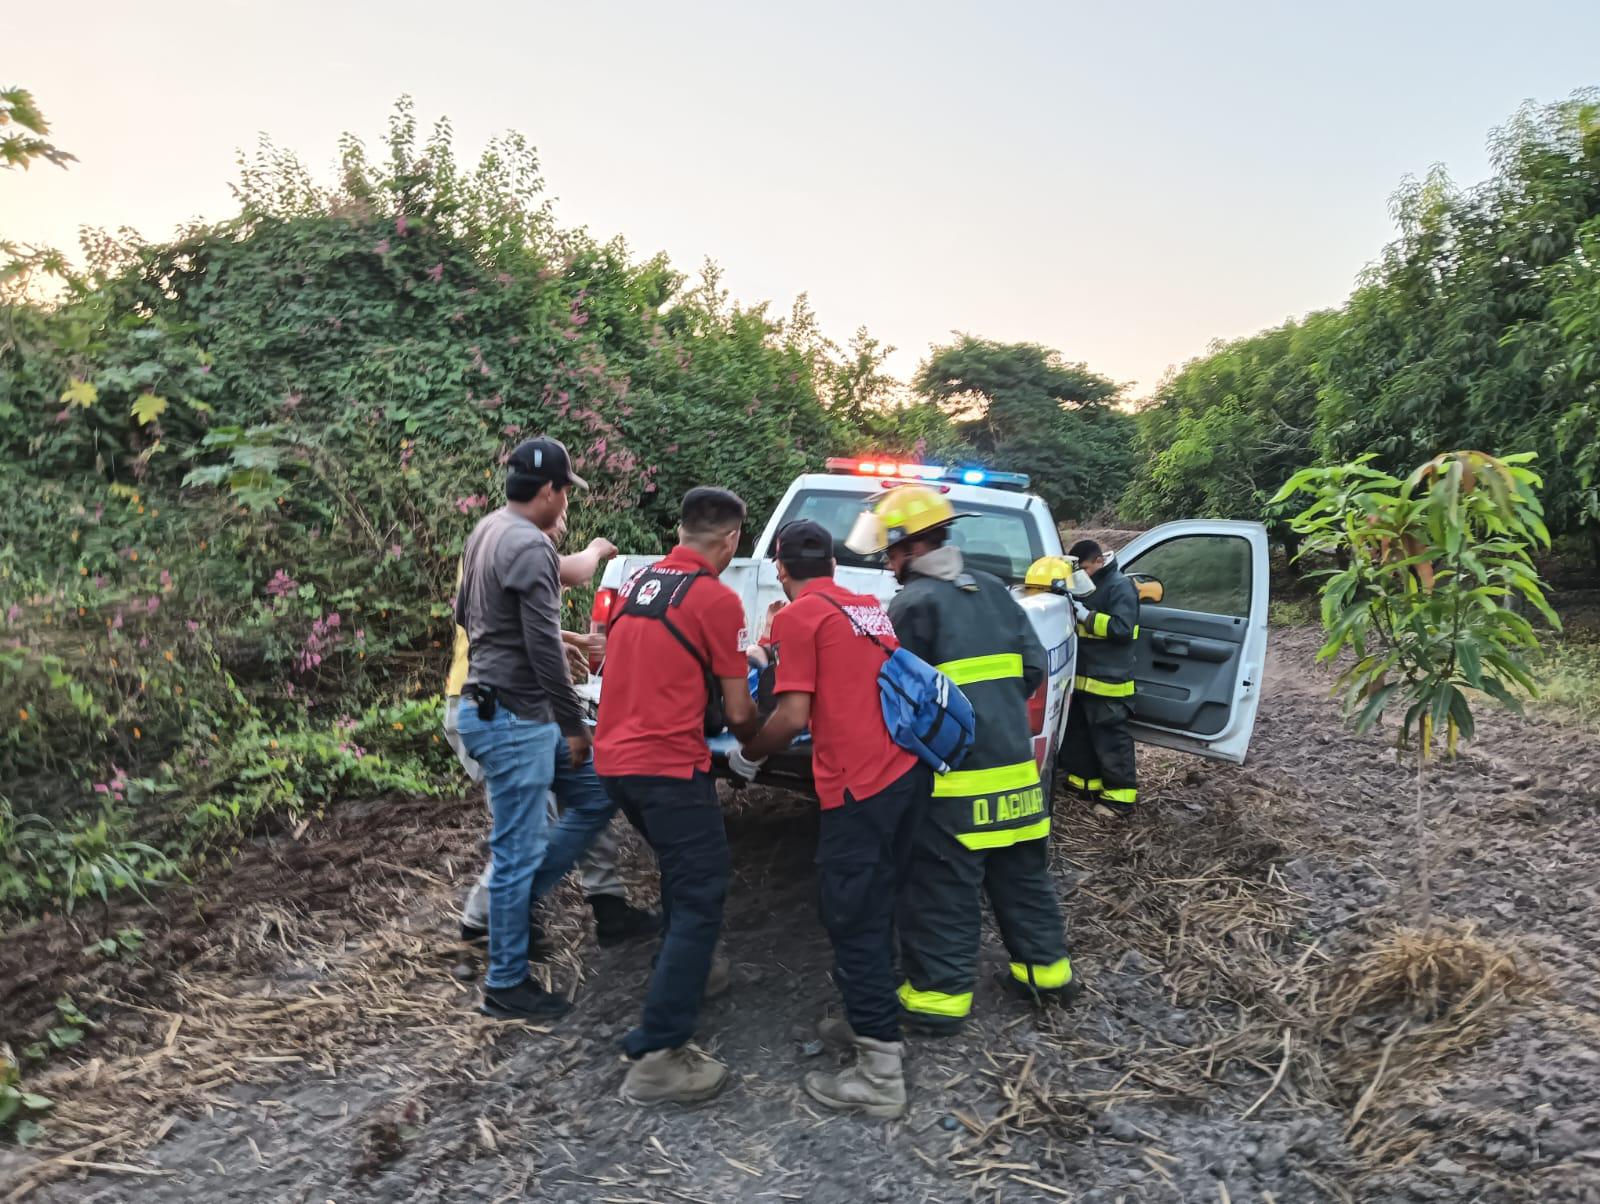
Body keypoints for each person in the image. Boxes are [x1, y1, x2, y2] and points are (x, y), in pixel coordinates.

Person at [846, 484, 1077, 1036]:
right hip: (1019, 779)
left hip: (956, 788)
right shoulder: (997, 592)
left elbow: (888, 694)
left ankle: (937, 1001)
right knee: (1021, 880)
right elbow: (1031, 673)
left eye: (890, 552)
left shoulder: (911, 605)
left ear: (906, 548)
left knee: (941, 889)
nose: (888, 563)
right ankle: (1047, 977)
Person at [734, 520, 929, 1119]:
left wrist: (748, 753)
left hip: (858, 785)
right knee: (881, 899)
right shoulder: (868, 607)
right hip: (905, 773)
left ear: (781, 570)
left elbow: (792, 715)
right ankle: (871, 1018)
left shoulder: (798, 617)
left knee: (850, 914)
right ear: (835, 569)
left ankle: (879, 1073)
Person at [594, 486, 761, 1105]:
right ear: (732, 540)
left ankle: (701, 972)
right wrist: (767, 731)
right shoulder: (716, 599)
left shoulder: (639, 584)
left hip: (616, 762)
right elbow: (740, 712)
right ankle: (659, 1057)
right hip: (666, 765)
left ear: (684, 529)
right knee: (702, 893)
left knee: (682, 867)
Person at [453, 436, 615, 1021]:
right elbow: (546, 647)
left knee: (596, 795)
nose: (567, 502)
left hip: (509, 711)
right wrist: (575, 724)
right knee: (516, 854)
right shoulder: (531, 545)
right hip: (516, 721)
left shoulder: (487, 530)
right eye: (567, 491)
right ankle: (505, 984)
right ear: (548, 490)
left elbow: (463, 613)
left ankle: (512, 906)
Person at [444, 521, 659, 951]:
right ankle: (483, 922)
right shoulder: (506, 547)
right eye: (560, 504)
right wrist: (598, 548)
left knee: (589, 796)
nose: (563, 520)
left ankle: (608, 904)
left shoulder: (500, 555)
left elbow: (513, 620)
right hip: (494, 706)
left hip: (530, 706)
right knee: (530, 827)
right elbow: (573, 570)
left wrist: (570, 638)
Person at [1061, 538, 1140, 818]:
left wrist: (1086, 616)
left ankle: (1120, 799)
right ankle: (1086, 784)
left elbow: (1122, 628)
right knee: (1080, 734)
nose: (1082, 575)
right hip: (1085, 679)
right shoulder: (1088, 584)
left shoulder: (1120, 586)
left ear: (1099, 561)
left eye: (1085, 569)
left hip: (1109, 682)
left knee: (1111, 741)